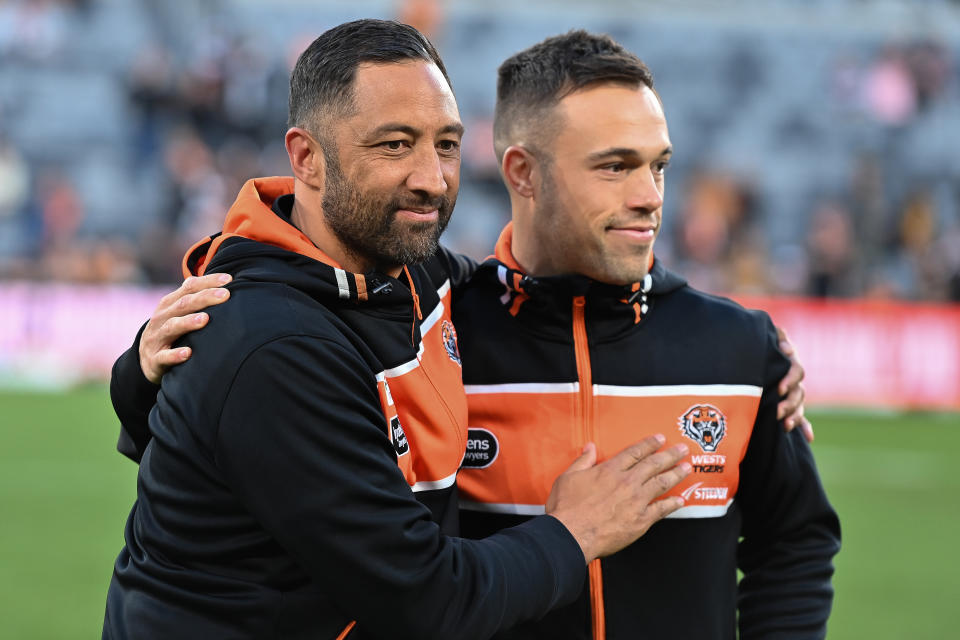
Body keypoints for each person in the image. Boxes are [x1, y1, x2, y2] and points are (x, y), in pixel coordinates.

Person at [102, 20, 695, 640]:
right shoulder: (274, 345)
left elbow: (514, 289)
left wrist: (739, 336)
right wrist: (577, 532)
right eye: (394, 145)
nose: (432, 179)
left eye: (446, 144)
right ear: (307, 158)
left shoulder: (406, 266)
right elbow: (427, 600)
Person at [450, 32, 840, 639]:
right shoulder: (434, 343)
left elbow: (794, 543)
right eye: (615, 166)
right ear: (523, 173)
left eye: (659, 165)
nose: (650, 197)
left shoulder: (741, 348)